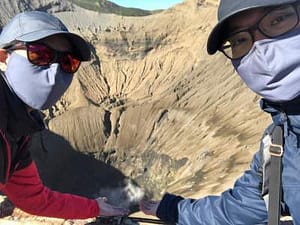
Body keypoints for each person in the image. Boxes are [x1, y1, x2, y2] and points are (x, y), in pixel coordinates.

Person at [139, 0, 300, 224]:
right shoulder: (279, 145)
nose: (261, 47)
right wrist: (170, 209)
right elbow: (239, 208)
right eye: (240, 40)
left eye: (278, 20)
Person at [0, 11, 129, 219]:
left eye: (68, 62)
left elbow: (34, 198)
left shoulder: (17, 129)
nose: (54, 71)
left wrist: (94, 208)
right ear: (4, 57)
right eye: (40, 55)